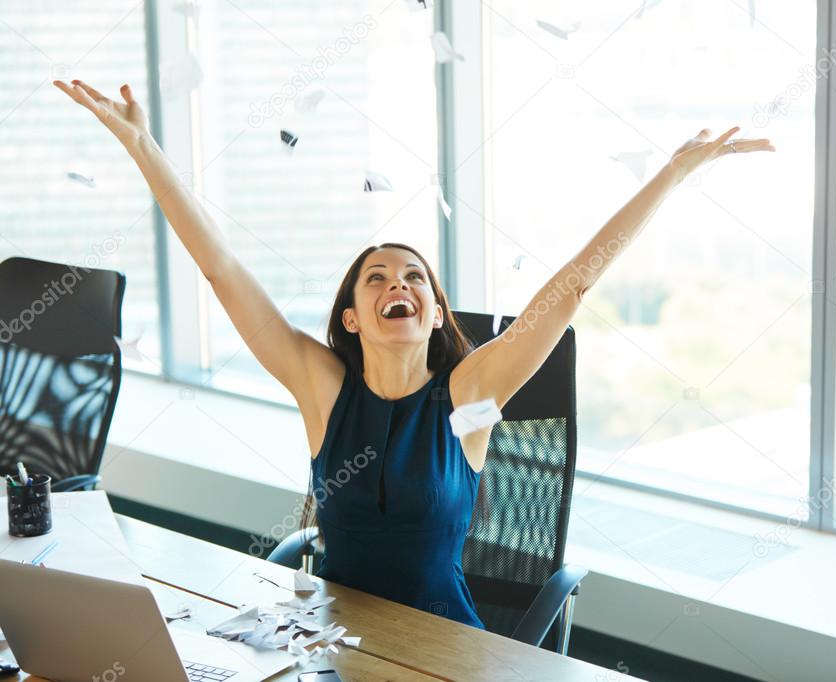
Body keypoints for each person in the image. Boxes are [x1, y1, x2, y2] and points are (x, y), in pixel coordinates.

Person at [54, 79, 774, 629]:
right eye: (377, 278)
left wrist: (673, 174)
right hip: (329, 636)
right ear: (353, 316)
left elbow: (574, 283)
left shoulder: (469, 394)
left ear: (433, 314)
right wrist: (143, 148)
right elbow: (222, 270)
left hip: (444, 646)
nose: (397, 284)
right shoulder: (321, 387)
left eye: (414, 280)